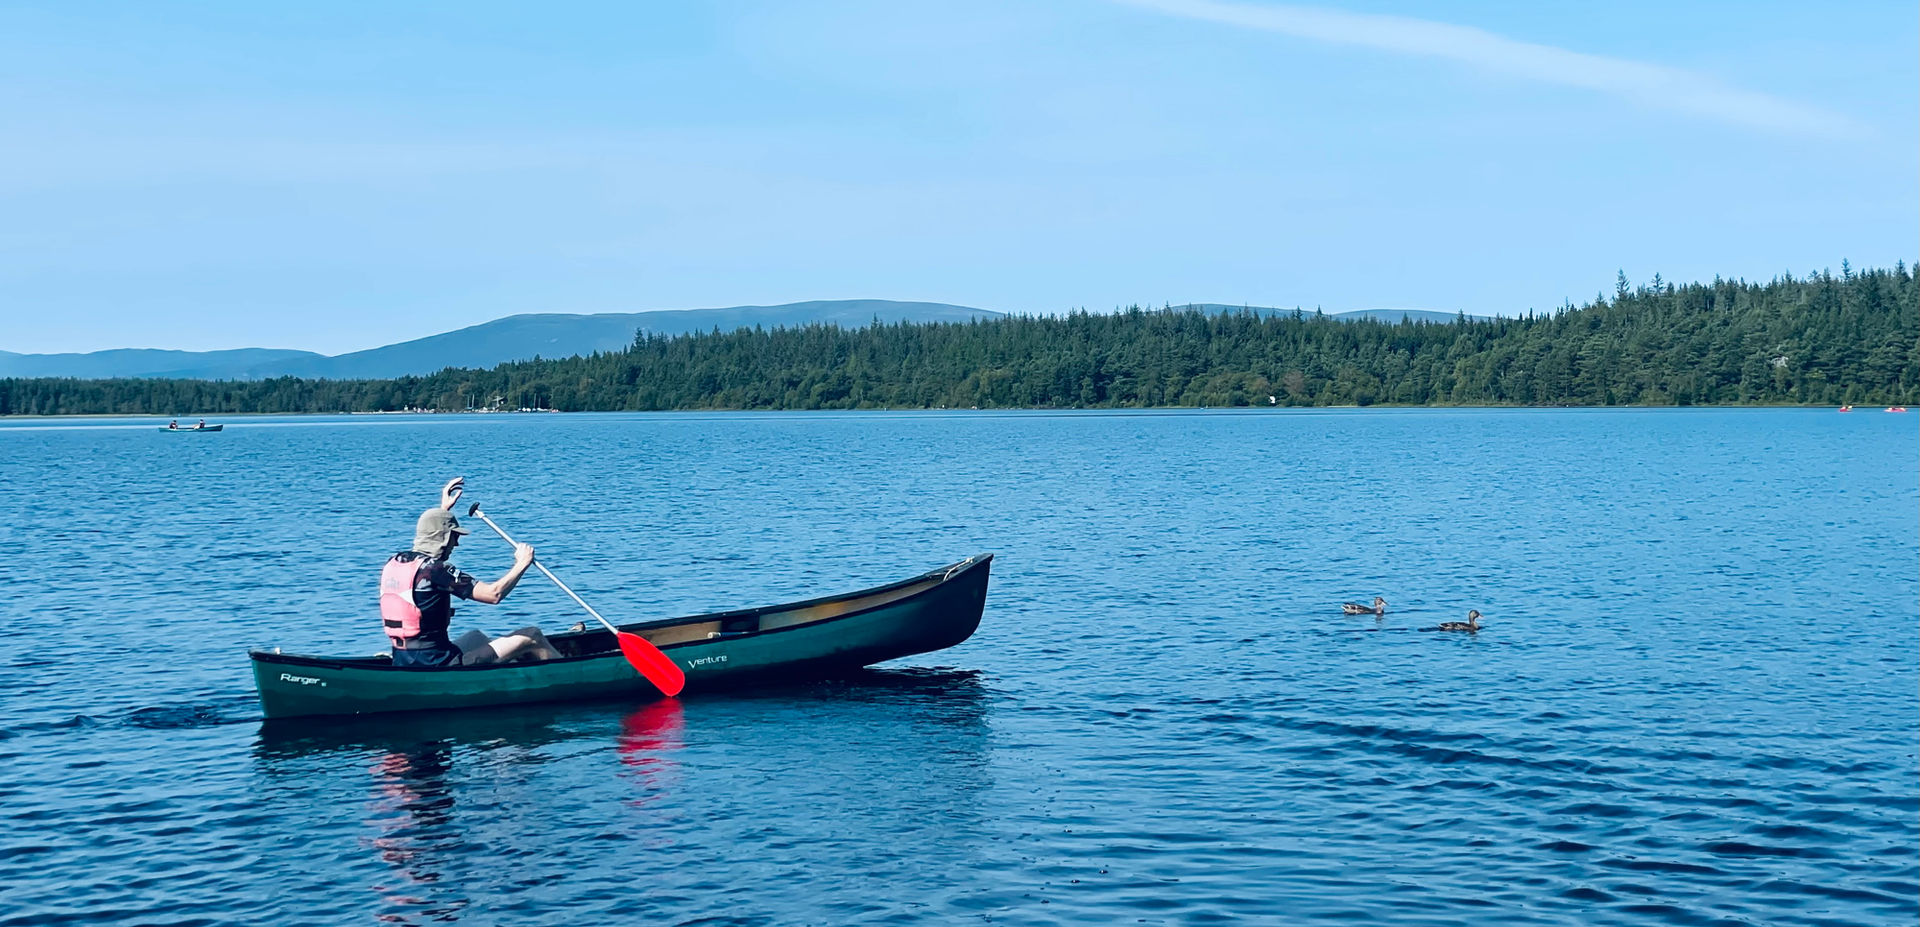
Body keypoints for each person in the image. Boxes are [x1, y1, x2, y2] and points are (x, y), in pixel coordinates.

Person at [380, 476, 563, 667]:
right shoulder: (437, 571)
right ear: (442, 538)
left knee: (477, 637)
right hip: (439, 663)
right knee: (532, 635)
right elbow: (494, 595)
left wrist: (443, 511)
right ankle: (564, 679)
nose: (457, 543)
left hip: (405, 659)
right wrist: (522, 563)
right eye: (454, 536)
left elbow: (431, 536)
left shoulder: (395, 562)